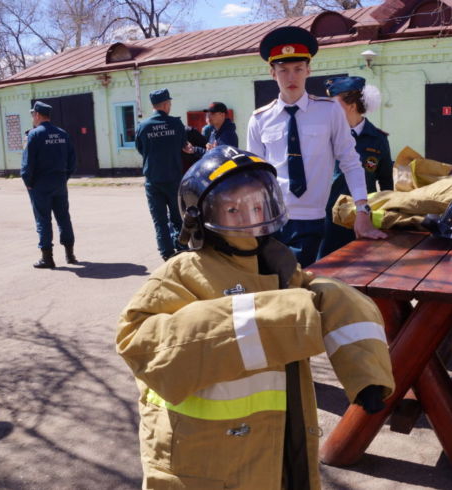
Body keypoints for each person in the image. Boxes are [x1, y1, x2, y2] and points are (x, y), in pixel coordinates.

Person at [117, 146, 395, 490]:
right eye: (233, 208)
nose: (250, 215)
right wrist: (273, 320)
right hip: (203, 459)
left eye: (258, 204)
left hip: (272, 445)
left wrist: (368, 376)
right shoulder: (182, 273)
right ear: (199, 216)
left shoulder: (277, 266)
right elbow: (139, 344)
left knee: (335, 291)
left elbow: (332, 303)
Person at [247, 26, 385, 268]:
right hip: (274, 221)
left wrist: (363, 211)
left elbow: (351, 162)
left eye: (298, 69)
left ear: (308, 70)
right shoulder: (259, 119)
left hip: (315, 220)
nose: (291, 78)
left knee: (310, 284)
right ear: (272, 72)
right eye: (283, 70)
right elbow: (256, 177)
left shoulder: (329, 111)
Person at [318, 76, 394, 258]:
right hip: (328, 218)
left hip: (361, 218)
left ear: (352, 106)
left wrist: (386, 219)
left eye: (334, 104)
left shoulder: (378, 139)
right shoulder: (324, 136)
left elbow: (386, 184)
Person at [21, 101, 78, 269]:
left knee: (43, 220)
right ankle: (70, 254)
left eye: (33, 114)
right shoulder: (62, 134)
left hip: (40, 184)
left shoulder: (34, 135)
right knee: (63, 217)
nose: (33, 117)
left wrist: (28, 182)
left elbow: (27, 163)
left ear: (37, 115)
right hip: (59, 182)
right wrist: (64, 177)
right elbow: (72, 161)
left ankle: (47, 258)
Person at [136, 88, 187, 261]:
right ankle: (181, 249)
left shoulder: (143, 126)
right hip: (173, 178)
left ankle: (166, 253)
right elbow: (183, 145)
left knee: (159, 220)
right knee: (178, 218)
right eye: (169, 103)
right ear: (165, 104)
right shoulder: (176, 123)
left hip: (153, 179)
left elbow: (141, 149)